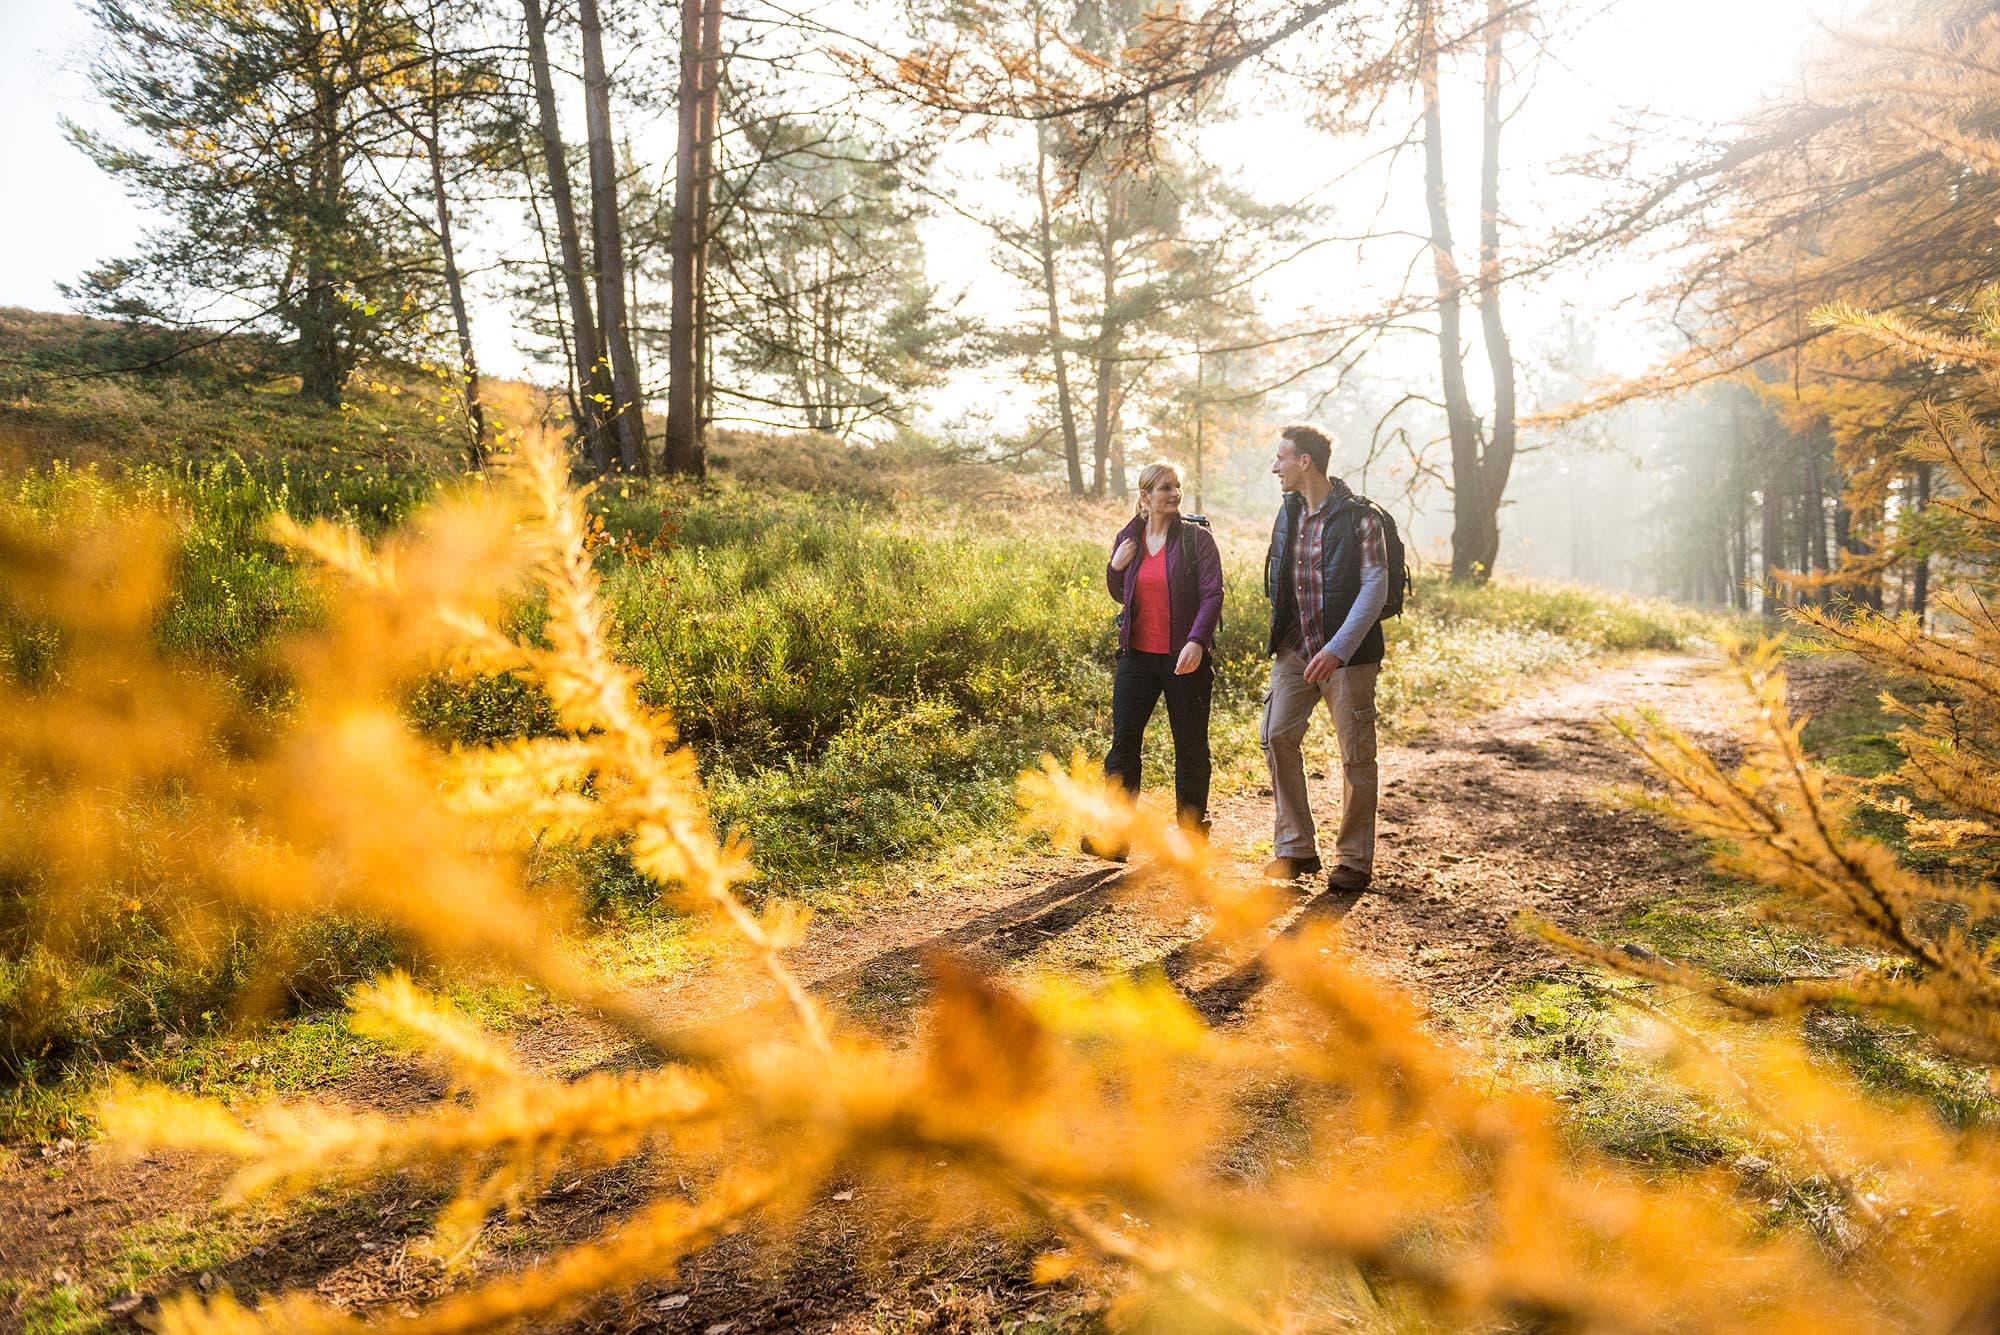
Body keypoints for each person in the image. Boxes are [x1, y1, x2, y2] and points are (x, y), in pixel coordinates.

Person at [1260, 424, 1387, 892]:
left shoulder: (1361, 519)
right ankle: (1295, 848)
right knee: (1276, 735)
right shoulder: (1288, 512)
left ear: (1305, 461)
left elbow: (1376, 588)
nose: (1276, 467)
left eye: (1282, 458)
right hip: (1296, 648)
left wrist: (1338, 649)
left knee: (1356, 754)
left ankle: (1353, 859)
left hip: (1348, 657)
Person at [1093, 460, 1224, 853]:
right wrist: (1114, 568)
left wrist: (1197, 641)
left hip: (1186, 658)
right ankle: (1116, 836)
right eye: (1164, 487)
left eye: (1177, 486)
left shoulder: (1196, 540)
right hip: (1137, 658)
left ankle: (1190, 833)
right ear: (1145, 495)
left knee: (1190, 745)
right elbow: (1123, 593)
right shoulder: (1128, 538)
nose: (1174, 493)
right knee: (1124, 743)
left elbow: (1212, 594)